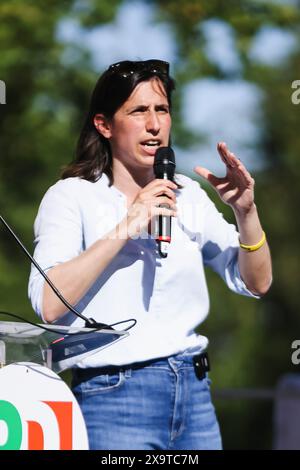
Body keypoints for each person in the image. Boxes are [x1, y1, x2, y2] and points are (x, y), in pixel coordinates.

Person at [28, 59, 272, 450]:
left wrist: (246, 212)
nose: (154, 124)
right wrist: (129, 224)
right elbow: (48, 303)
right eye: (139, 111)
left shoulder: (187, 194)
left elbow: (257, 283)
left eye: (162, 110)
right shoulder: (72, 196)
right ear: (104, 125)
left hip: (193, 393)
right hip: (115, 396)